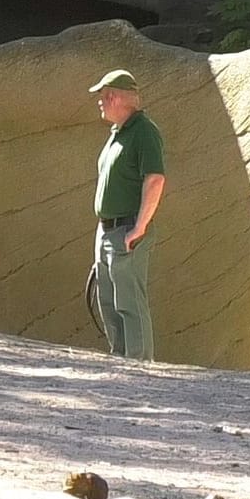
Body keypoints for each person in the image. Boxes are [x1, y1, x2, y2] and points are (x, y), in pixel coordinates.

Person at [88, 68, 165, 361]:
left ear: (116, 96)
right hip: (108, 230)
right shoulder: (117, 134)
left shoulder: (144, 131)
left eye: (103, 96)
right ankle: (121, 361)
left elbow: (155, 180)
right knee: (108, 299)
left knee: (129, 302)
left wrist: (139, 228)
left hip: (128, 229)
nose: (100, 102)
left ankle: (140, 365)